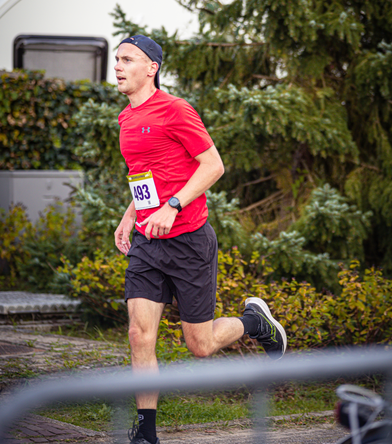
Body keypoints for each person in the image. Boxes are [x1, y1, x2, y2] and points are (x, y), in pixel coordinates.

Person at [114, 35, 287, 444]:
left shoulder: (175, 110)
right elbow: (144, 173)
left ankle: (254, 322)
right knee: (139, 334)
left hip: (188, 240)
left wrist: (172, 205)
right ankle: (145, 430)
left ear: (151, 67)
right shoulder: (125, 117)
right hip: (147, 241)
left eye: (127, 59)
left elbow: (213, 165)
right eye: (116, 59)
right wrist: (129, 216)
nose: (118, 66)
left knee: (201, 344)